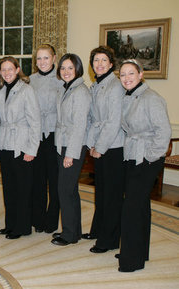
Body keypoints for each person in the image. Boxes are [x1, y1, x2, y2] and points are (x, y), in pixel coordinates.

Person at [118, 59, 171, 272]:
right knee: (140, 207)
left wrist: (150, 157)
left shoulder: (152, 98)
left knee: (130, 208)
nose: (127, 78)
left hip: (147, 158)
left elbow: (164, 132)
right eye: (123, 74)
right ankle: (140, 252)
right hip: (132, 155)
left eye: (131, 73)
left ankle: (130, 260)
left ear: (141, 74)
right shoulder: (128, 97)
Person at [0, 57, 41, 240]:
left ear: (17, 69)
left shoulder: (26, 90)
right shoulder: (2, 90)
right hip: (5, 144)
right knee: (9, 188)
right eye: (3, 70)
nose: (7, 73)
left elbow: (35, 121)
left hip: (22, 145)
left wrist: (32, 149)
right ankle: (11, 223)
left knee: (22, 188)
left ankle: (22, 226)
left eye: (10, 69)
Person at [85, 46, 125, 253]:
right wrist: (91, 144)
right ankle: (99, 230)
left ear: (111, 64)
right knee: (100, 193)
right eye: (96, 61)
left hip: (113, 147)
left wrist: (99, 147)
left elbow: (113, 122)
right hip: (99, 145)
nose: (99, 64)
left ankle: (108, 240)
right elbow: (93, 120)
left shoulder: (115, 86)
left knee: (111, 196)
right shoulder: (97, 85)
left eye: (103, 60)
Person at [51, 53, 91, 246]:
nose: (66, 72)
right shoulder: (65, 89)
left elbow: (79, 126)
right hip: (62, 144)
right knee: (70, 190)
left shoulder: (81, 92)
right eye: (63, 68)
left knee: (65, 190)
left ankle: (68, 234)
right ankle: (73, 231)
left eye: (70, 68)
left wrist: (71, 154)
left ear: (77, 69)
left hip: (73, 146)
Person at [29, 44, 62, 234]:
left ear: (54, 58)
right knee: (37, 181)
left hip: (55, 135)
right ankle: (38, 218)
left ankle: (51, 220)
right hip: (35, 136)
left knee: (55, 181)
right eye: (39, 58)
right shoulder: (29, 80)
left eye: (46, 58)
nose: (42, 62)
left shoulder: (61, 78)